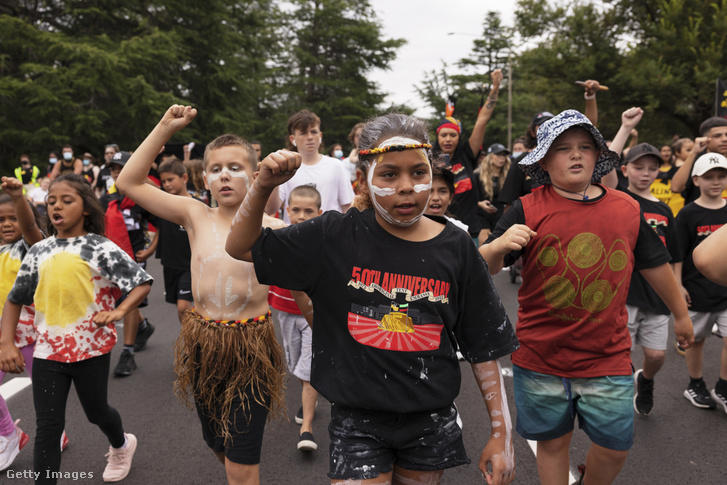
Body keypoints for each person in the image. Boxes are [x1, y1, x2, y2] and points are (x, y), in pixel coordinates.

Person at [227, 113, 519, 485]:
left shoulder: (457, 247)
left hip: (430, 423)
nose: (407, 187)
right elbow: (240, 246)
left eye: (418, 172)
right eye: (389, 174)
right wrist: (264, 185)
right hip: (356, 422)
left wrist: (500, 434)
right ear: (363, 180)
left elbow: (483, 343)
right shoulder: (333, 236)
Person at [480, 110, 694, 485]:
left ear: (599, 156)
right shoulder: (527, 207)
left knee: (615, 447)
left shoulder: (626, 207)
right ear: (545, 160)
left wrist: (680, 313)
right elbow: (483, 268)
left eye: (584, 147)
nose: (575, 154)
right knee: (552, 442)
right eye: (563, 148)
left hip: (606, 355)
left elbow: (655, 264)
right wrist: (498, 245)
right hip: (540, 356)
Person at [115, 105, 286, 485]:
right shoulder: (195, 215)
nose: (225, 175)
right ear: (204, 178)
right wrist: (164, 127)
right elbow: (129, 182)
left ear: (255, 175)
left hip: (251, 348)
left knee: (242, 463)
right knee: (217, 441)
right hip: (204, 345)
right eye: (215, 169)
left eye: (236, 167)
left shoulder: (274, 228)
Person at [0, 174, 152, 484]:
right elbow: (15, 300)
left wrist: (120, 310)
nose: (57, 207)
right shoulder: (40, 251)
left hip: (91, 349)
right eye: (52, 201)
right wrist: (6, 343)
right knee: (49, 426)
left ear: (85, 208)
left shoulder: (99, 247)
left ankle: (121, 444)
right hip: (48, 351)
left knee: (97, 412)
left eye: (67, 201)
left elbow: (141, 282)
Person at [619, 143, 681, 415]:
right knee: (622, 353)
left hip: (658, 293)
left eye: (652, 168)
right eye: (638, 167)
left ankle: (645, 380)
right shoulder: (619, 199)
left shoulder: (665, 210)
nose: (645, 173)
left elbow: (674, 254)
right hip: (626, 291)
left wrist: (677, 287)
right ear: (625, 169)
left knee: (656, 355)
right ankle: (616, 400)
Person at [268, 184, 321, 452]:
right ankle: (308, 397)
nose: (301, 216)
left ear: (319, 213)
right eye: (296, 210)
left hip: (313, 315)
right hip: (285, 312)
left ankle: (307, 429)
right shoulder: (279, 236)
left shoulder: (324, 241)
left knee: (308, 370)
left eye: (308, 211)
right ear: (287, 210)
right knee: (296, 364)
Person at [674, 152, 727, 413]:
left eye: (721, 176)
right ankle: (695, 383)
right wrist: (678, 285)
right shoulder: (688, 214)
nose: (716, 182)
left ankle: (723, 386)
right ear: (696, 180)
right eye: (710, 177)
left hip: (725, 289)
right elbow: (678, 254)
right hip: (697, 290)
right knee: (696, 341)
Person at [0, 177, 45, 470]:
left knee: (46, 396)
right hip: (3, 334)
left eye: (12, 218)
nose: (6, 224)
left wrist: (19, 199)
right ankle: (8, 433)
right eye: (0, 219)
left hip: (31, 333)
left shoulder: (30, 248)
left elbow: (30, 229)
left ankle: (57, 435)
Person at [100, 152, 156, 377]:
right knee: (121, 300)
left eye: (121, 169)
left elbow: (159, 225)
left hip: (134, 259)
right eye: (113, 170)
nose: (117, 173)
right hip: (111, 259)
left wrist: (150, 250)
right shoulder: (106, 199)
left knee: (129, 303)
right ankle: (143, 327)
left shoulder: (143, 198)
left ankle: (127, 352)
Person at [432, 69, 502, 243]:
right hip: (437, 229)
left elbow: (482, 121)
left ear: (459, 137)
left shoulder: (466, 154)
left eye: (453, 135)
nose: (448, 139)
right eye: (444, 135)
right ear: (437, 136)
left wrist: (495, 88)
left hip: (470, 231)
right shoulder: (429, 159)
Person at [267, 109, 354, 223]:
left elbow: (347, 207)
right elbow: (271, 209)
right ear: (292, 139)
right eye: (303, 133)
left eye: (313, 132)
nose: (310, 137)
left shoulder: (336, 166)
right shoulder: (286, 168)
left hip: (329, 237)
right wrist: (273, 181)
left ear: (320, 135)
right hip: (294, 236)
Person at [151, 159, 194, 325]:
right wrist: (150, 250)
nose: (167, 184)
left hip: (190, 266)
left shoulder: (195, 205)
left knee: (183, 306)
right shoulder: (163, 205)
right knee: (181, 307)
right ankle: (193, 341)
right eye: (163, 181)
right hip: (170, 264)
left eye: (170, 180)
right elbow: (160, 231)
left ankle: (196, 345)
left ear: (184, 178)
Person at [671, 116, 727, 204]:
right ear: (705, 139)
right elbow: (675, 188)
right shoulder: (696, 160)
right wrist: (693, 153)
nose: (725, 139)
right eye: (718, 136)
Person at [475, 143, 511, 236]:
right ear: (490, 156)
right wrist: (479, 204)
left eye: (504, 155)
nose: (502, 158)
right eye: (498, 154)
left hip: (503, 223)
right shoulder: (478, 176)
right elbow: (472, 200)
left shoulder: (509, 176)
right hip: (482, 223)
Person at [425, 165, 469, 233]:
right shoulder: (406, 230)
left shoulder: (460, 231)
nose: (436, 198)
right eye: (429, 191)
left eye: (442, 191)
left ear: (450, 198)